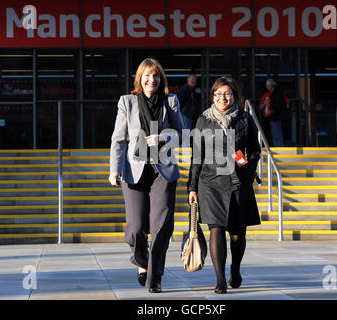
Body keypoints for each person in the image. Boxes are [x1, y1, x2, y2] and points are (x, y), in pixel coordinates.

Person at [108, 58, 185, 293]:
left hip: (163, 170)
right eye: (147, 76)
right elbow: (118, 139)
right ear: (139, 79)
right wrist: (114, 169)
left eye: (156, 76)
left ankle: (155, 277)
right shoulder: (127, 102)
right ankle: (142, 262)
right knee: (136, 228)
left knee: (161, 226)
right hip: (134, 170)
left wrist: (163, 138)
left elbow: (182, 134)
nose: (151, 80)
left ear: (161, 79)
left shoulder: (170, 101)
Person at [187, 77, 261, 294]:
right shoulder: (203, 120)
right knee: (216, 228)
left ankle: (235, 269)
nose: (222, 98)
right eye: (218, 94)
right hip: (209, 183)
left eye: (227, 93)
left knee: (238, 234)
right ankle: (219, 278)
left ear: (234, 96)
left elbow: (255, 150)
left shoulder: (245, 119)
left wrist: (246, 168)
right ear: (212, 97)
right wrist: (192, 187)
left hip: (237, 181)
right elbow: (197, 156)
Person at [259, 78, 289, 147]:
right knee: (274, 135)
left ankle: (279, 150)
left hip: (276, 117)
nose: (267, 87)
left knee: (277, 135)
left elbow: (283, 105)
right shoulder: (272, 94)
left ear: (271, 86)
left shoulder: (277, 94)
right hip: (270, 118)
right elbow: (260, 106)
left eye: (268, 86)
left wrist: (272, 111)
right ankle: (277, 148)